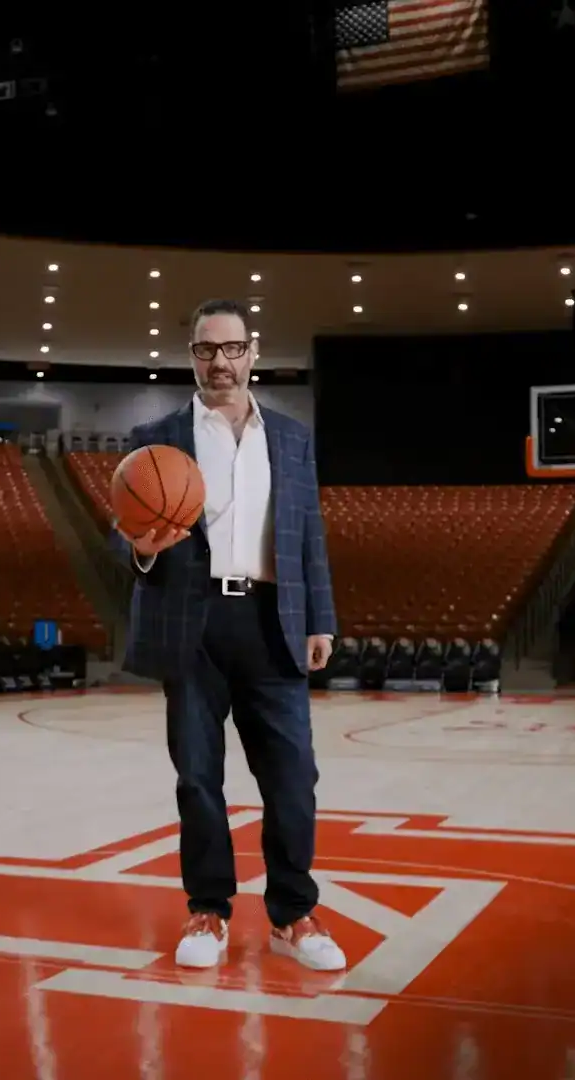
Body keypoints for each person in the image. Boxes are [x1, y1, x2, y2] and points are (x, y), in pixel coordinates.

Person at [112, 298, 344, 971]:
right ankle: (208, 911)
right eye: (206, 350)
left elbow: (310, 538)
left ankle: (292, 915)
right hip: (193, 621)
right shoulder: (154, 439)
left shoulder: (293, 439)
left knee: (294, 778)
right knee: (199, 780)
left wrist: (321, 617)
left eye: (231, 348)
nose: (220, 361)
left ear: (252, 353)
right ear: (192, 356)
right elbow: (119, 533)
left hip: (274, 620)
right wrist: (144, 547)